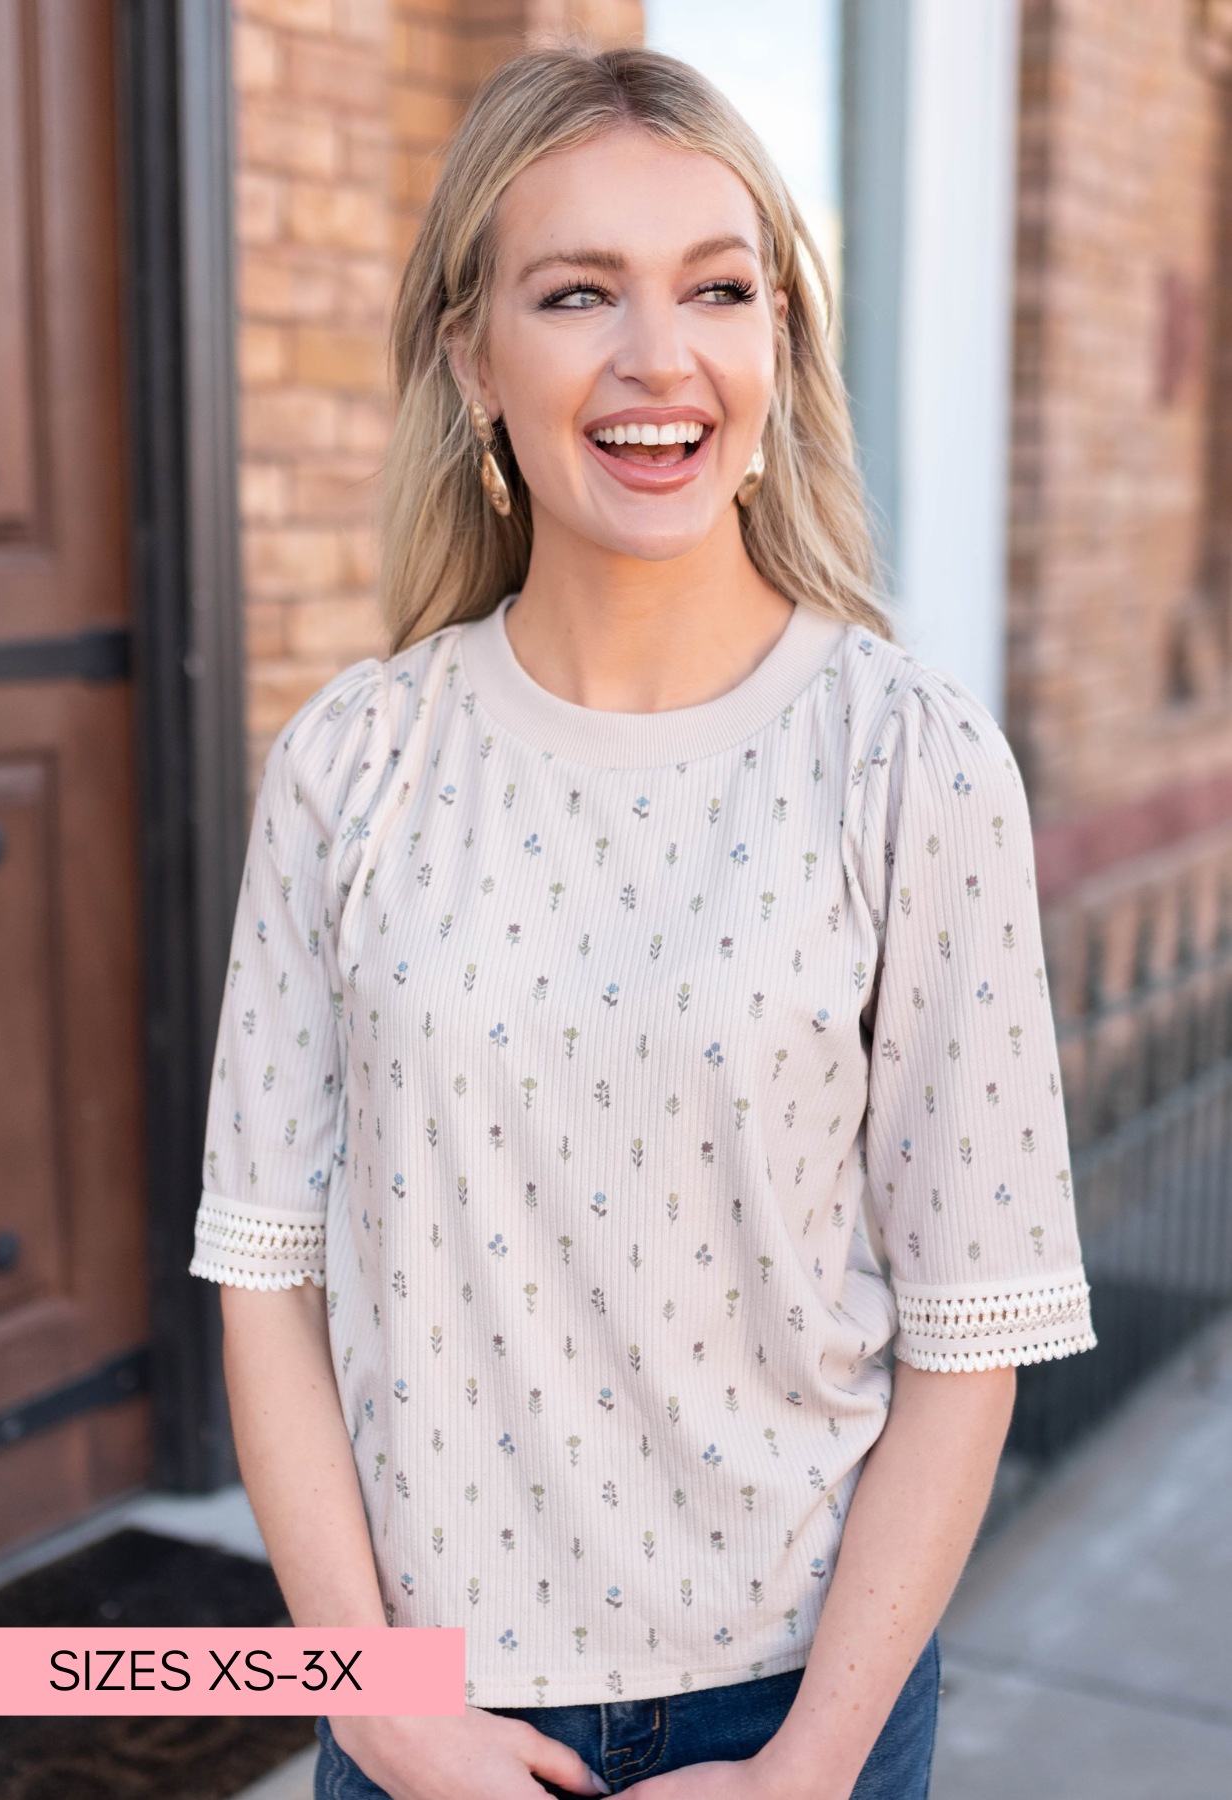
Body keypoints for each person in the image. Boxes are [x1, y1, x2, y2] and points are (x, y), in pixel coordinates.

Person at [190, 45, 1095, 1800]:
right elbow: (265, 1277)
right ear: (472, 357)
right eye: (576, 291)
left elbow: (966, 1333)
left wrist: (805, 1767)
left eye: (717, 288)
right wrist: (377, 1705)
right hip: (424, 1709)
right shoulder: (351, 765)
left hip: (797, 1718)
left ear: (774, 347)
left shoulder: (909, 767)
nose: (657, 358)